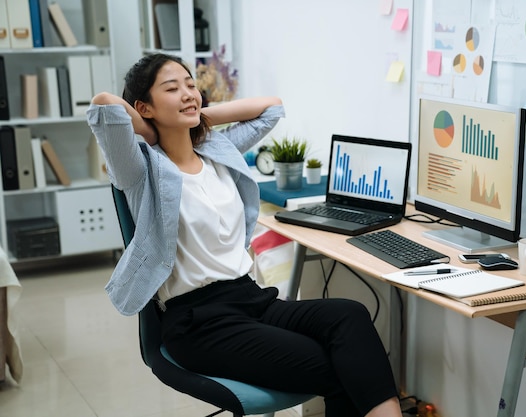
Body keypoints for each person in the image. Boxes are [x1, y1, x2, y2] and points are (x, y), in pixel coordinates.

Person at [87, 53, 403, 417]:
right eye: (172, 89)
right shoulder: (141, 170)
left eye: (191, 85)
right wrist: (151, 130)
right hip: (199, 322)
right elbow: (103, 105)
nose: (189, 93)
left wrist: (195, 116)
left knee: (349, 315)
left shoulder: (217, 152)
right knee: (339, 366)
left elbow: (271, 108)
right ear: (143, 106)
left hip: (252, 299)